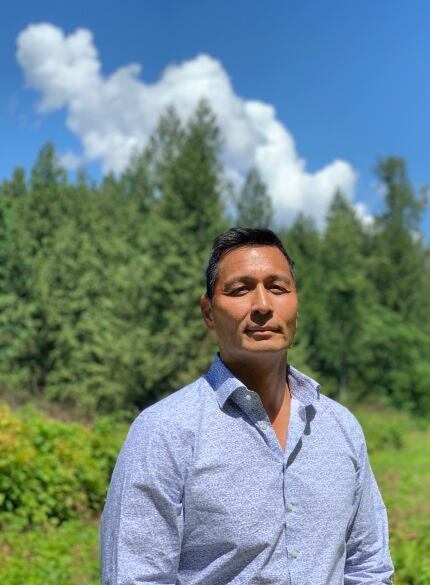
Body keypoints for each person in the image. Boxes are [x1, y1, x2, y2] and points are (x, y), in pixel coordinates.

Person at [100, 227, 394, 585]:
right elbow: (135, 577)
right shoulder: (164, 431)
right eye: (240, 290)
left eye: (277, 288)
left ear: (296, 305)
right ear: (208, 312)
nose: (263, 306)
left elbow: (369, 568)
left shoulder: (339, 427)